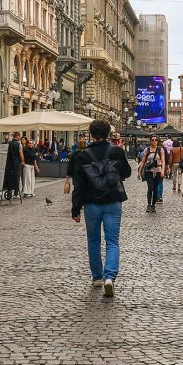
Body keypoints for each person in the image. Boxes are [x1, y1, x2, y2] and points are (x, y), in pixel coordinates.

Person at [70, 119, 132, 297]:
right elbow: (127, 173)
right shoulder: (116, 151)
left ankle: (97, 277)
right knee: (112, 242)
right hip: (113, 201)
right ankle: (109, 277)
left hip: (91, 203)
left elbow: (78, 184)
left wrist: (75, 209)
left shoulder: (83, 155)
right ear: (108, 134)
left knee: (93, 241)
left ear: (91, 134)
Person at [138, 136, 166, 212]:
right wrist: (139, 171)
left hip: (158, 171)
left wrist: (163, 171)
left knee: (155, 188)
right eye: (152, 140)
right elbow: (143, 161)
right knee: (150, 187)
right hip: (149, 171)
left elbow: (163, 161)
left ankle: (153, 205)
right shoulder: (147, 150)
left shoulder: (160, 150)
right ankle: (148, 204)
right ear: (150, 141)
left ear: (157, 141)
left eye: (155, 140)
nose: (154, 141)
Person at [1, 132, 23, 198]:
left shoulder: (8, 144)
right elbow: (21, 153)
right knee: (17, 177)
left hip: (9, 163)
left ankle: (9, 192)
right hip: (16, 163)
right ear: (18, 136)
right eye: (20, 136)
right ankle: (16, 193)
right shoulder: (19, 144)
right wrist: (23, 160)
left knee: (9, 177)